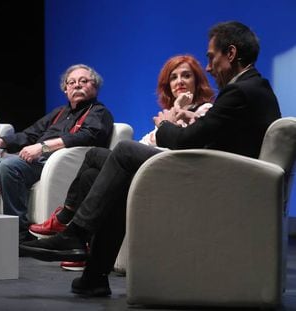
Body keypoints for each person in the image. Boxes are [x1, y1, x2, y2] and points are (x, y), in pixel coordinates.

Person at [19, 21, 282, 297]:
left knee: (124, 152)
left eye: (211, 57)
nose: (208, 67)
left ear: (230, 54)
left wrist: (167, 123)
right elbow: (211, 134)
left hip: (217, 182)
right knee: (120, 175)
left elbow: (184, 140)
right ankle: (93, 273)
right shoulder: (254, 88)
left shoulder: (239, 91)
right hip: (219, 175)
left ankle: (76, 233)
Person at [28, 55, 215, 271]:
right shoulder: (168, 114)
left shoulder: (204, 110)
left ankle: (66, 219)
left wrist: (174, 115)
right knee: (90, 176)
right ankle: (84, 255)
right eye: (173, 77)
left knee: (95, 155)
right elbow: (147, 142)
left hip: (169, 171)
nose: (179, 81)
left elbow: (182, 142)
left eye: (186, 76)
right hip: (151, 167)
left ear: (197, 81)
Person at [0, 64, 114, 244]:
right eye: (72, 82)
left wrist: (43, 147)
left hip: (56, 164)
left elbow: (89, 135)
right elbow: (30, 133)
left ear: (95, 86)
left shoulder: (99, 112)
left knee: (9, 166)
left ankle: (17, 235)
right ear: (65, 89)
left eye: (84, 81)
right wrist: (3, 142)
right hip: (34, 161)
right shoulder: (59, 112)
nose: (77, 85)